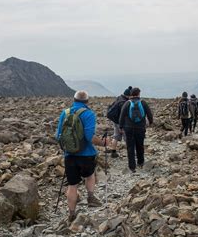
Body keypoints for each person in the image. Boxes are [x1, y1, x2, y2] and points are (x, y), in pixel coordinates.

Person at [56, 90, 107, 223]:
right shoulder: (89, 114)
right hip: (87, 154)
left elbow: (58, 136)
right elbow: (89, 137)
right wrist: (102, 143)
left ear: (74, 100)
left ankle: (71, 214)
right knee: (90, 176)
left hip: (69, 154)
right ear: (87, 101)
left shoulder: (65, 113)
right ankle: (91, 198)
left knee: (72, 185)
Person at [119, 87, 153, 173]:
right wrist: (150, 122)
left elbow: (122, 116)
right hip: (140, 128)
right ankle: (140, 162)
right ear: (138, 94)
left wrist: (121, 127)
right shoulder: (143, 103)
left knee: (130, 147)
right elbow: (149, 114)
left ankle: (132, 167)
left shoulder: (127, 103)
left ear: (131, 94)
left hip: (129, 128)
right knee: (140, 145)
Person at [107, 86, 132, 158]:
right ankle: (130, 155)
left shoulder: (119, 98)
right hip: (121, 123)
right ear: (128, 95)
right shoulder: (124, 103)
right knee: (127, 138)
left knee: (116, 136)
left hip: (115, 121)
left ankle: (113, 152)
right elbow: (124, 115)